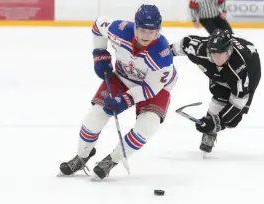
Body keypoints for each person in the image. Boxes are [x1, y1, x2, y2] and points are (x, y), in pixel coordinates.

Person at [59, 4, 177, 179]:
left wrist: (125, 100)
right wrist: (99, 53)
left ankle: (112, 160)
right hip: (122, 78)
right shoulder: (119, 29)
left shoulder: (162, 55)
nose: (146, 35)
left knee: (146, 127)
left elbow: (150, 89)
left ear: (158, 31)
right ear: (135, 25)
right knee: (95, 116)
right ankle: (82, 156)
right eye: (142, 29)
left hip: (156, 88)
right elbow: (98, 25)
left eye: (151, 31)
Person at [170, 29, 261, 153]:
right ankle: (210, 133)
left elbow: (239, 100)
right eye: (212, 53)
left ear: (229, 51)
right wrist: (162, 55)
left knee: (232, 121)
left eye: (220, 54)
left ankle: (213, 125)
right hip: (221, 75)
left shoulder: (240, 69)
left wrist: (219, 122)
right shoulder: (199, 49)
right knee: (219, 94)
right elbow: (184, 43)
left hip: (251, 71)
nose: (216, 58)